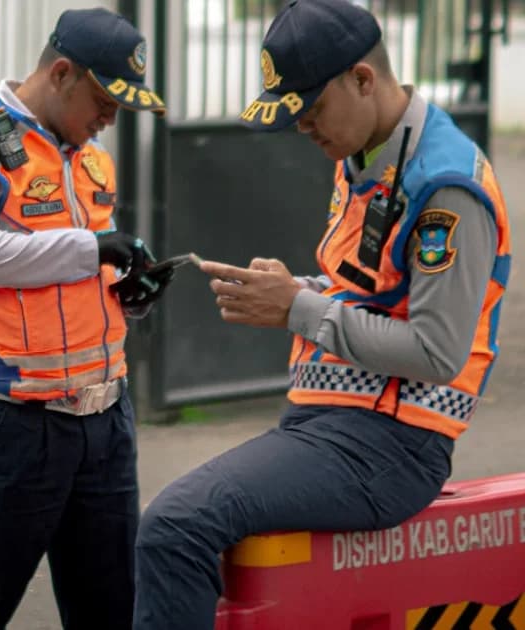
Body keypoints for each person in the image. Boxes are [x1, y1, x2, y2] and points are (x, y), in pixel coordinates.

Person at [131, 2, 512, 628]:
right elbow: (370, 292)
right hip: (329, 428)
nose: (304, 128)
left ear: (362, 79)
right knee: (174, 531)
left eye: (310, 110)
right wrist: (288, 290)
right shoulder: (366, 152)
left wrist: (298, 309)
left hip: (388, 447)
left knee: (174, 526)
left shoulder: (446, 185)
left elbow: (439, 351)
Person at [0, 8, 173, 629]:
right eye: (104, 100)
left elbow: (67, 279)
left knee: (112, 612)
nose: (110, 119)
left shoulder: (89, 158)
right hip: (15, 421)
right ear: (62, 73)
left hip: (105, 418)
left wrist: (123, 291)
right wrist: (94, 249)